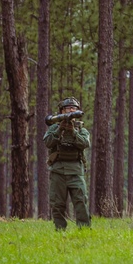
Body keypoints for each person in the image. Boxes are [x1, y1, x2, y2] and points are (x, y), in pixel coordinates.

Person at [43, 97, 91, 231]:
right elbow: (47, 142)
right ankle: (60, 230)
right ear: (62, 111)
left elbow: (85, 143)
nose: (71, 110)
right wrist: (60, 130)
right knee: (57, 204)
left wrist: (73, 132)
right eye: (68, 108)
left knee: (81, 202)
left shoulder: (81, 129)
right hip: (58, 172)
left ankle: (85, 230)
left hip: (76, 172)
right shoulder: (54, 127)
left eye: (74, 108)